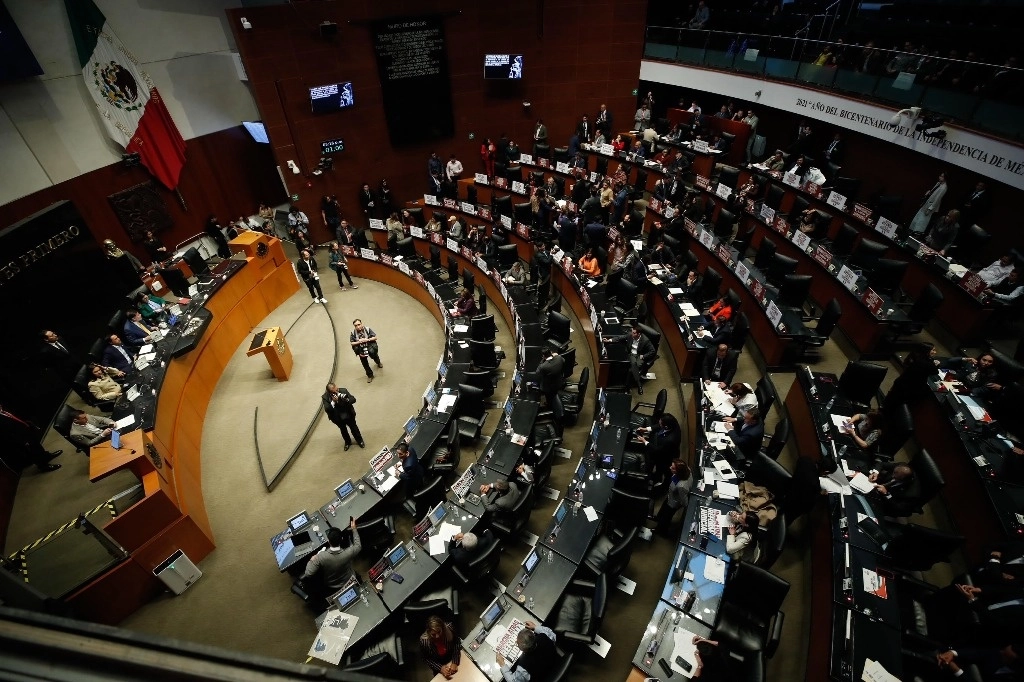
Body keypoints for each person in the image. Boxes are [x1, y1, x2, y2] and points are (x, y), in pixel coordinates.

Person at [300, 521, 361, 598]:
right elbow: (358, 545)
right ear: (341, 539)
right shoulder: (349, 552)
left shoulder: (321, 556)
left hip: (333, 586)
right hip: (349, 580)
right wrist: (354, 529)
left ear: (328, 541)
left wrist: (312, 559)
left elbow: (308, 573)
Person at [0, 404, 62, 473]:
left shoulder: (4, 411)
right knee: (33, 451)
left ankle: (46, 456)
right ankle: (43, 466)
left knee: (36, 445)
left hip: (24, 430)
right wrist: (22, 441)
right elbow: (7, 434)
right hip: (20, 438)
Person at [602, 326, 657, 394]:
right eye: (632, 332)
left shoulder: (645, 341)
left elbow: (652, 351)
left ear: (638, 334)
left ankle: (627, 386)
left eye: (634, 333)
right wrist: (609, 340)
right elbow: (620, 338)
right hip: (630, 354)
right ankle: (638, 384)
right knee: (632, 366)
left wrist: (644, 356)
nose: (632, 334)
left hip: (638, 356)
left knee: (632, 368)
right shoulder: (630, 335)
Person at [637, 414, 683, 485]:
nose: (659, 424)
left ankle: (656, 482)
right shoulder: (672, 422)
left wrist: (645, 441)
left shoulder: (670, 440)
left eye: (661, 423)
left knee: (661, 470)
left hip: (666, 457)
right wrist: (646, 429)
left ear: (666, 426)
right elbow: (659, 425)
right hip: (664, 447)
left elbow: (658, 450)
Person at [654, 459, 692, 535]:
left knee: (666, 518)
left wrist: (677, 503)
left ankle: (660, 531)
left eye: (673, 468)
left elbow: (685, 502)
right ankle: (658, 519)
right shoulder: (686, 469)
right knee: (663, 510)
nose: (670, 468)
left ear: (679, 471)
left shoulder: (681, 486)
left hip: (673, 504)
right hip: (670, 497)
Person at [322, 383, 364, 451]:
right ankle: (347, 442)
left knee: (354, 428)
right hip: (337, 418)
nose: (337, 392)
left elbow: (353, 399)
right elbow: (327, 409)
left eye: (337, 390)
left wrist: (346, 400)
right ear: (329, 392)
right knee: (343, 430)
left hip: (348, 414)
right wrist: (333, 402)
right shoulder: (325, 397)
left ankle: (360, 441)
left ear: (336, 387)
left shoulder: (343, 391)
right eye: (334, 392)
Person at [419, 615, 462, 679]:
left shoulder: (449, 628)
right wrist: (440, 668)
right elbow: (428, 659)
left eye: (439, 632)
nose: (437, 636)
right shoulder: (424, 641)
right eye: (433, 634)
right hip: (438, 663)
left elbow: (456, 643)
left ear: (443, 628)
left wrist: (455, 662)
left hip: (451, 656)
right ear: (428, 632)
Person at [535, 349, 566, 421]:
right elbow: (563, 361)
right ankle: (550, 403)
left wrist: (542, 360)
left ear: (543, 356)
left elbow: (537, 372)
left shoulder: (543, 366)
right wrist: (556, 356)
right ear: (551, 353)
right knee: (553, 396)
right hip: (559, 382)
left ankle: (549, 406)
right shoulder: (559, 358)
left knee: (549, 396)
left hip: (548, 387)